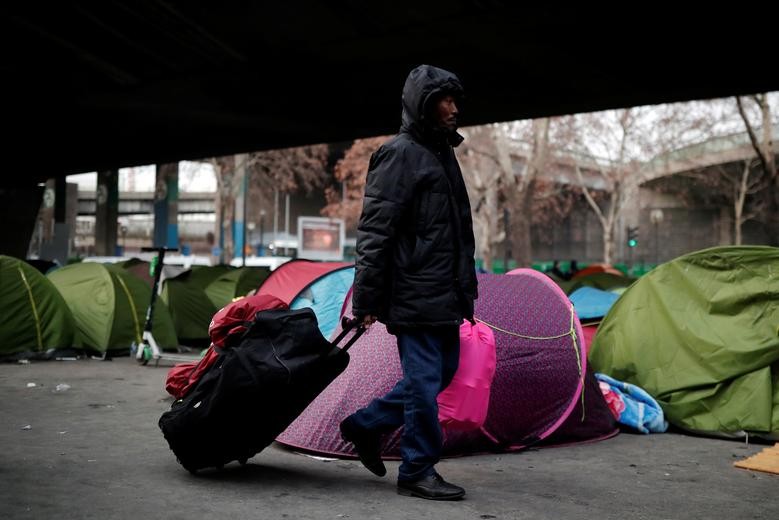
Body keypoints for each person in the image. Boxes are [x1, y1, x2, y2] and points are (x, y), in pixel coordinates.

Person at [340, 64, 478, 501]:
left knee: (444, 372)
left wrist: (464, 289)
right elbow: (376, 231)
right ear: (424, 104)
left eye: (456, 100)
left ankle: (363, 426)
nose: (454, 108)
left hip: (444, 292)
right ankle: (418, 468)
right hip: (414, 291)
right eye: (445, 100)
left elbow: (455, 231)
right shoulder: (398, 154)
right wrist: (366, 299)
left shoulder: (441, 153)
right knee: (422, 383)